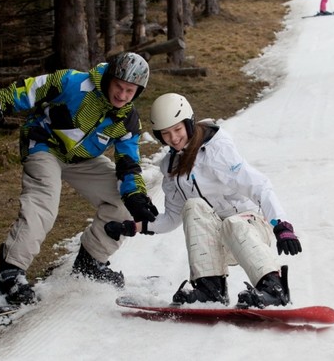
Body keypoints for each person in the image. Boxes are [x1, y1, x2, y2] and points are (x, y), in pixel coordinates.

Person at [0, 52, 158, 305]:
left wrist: (135, 196)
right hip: (44, 145)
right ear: (109, 78)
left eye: (130, 91)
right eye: (119, 87)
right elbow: (29, 90)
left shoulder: (127, 119)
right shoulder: (73, 83)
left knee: (122, 202)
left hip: (82, 159)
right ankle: (10, 275)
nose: (122, 95)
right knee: (44, 202)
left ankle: (90, 263)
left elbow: (128, 163)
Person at [104, 93, 303, 308]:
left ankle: (274, 288)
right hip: (216, 241)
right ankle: (211, 289)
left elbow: (259, 186)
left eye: (177, 129)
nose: (173, 138)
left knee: (232, 223)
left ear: (189, 124)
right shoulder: (171, 167)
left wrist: (282, 226)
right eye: (166, 133)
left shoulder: (218, 149)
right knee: (193, 205)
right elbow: (172, 217)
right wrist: (133, 227)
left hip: (250, 230)